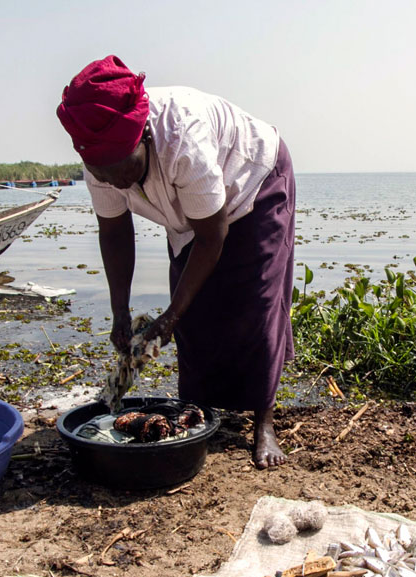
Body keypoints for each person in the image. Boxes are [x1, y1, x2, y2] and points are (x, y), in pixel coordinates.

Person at [57, 55, 296, 469]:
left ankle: (264, 420)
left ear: (144, 138)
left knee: (254, 303)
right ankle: (200, 411)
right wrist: (120, 312)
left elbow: (212, 236)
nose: (115, 181)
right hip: (194, 210)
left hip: (252, 183)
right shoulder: (100, 162)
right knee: (194, 312)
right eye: (103, 173)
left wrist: (168, 315)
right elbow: (115, 233)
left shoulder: (183, 138)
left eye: (122, 169)